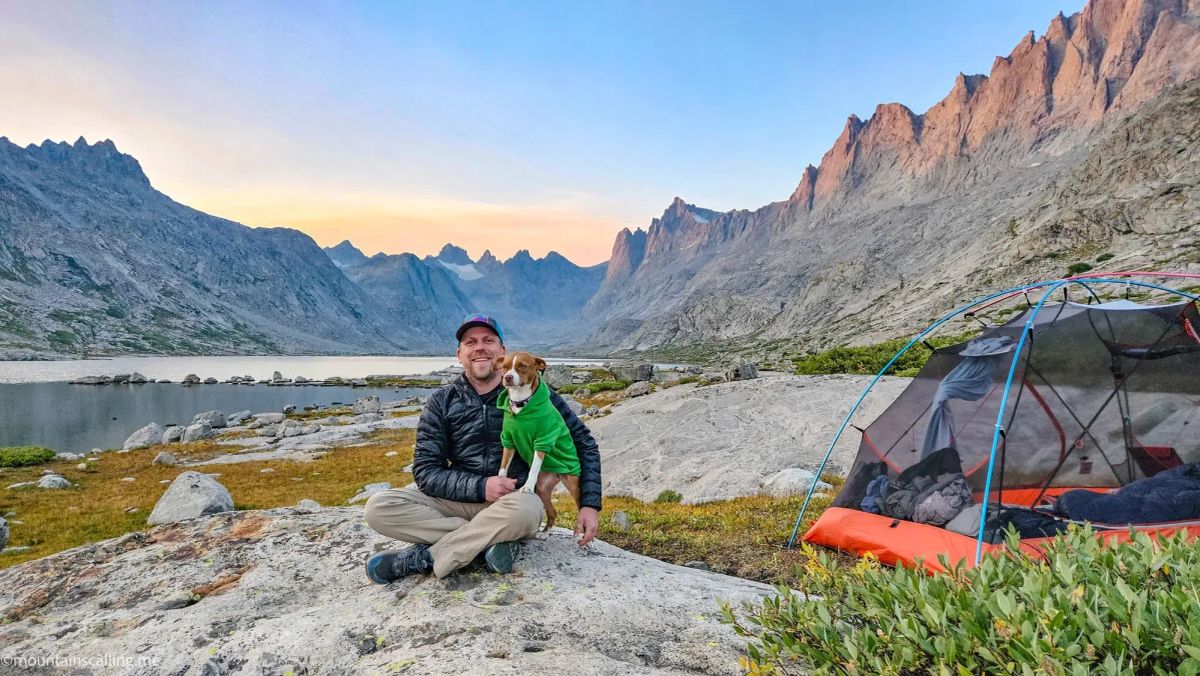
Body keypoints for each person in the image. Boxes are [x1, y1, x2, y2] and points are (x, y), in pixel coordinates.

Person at [363, 314, 602, 582]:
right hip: (456, 500)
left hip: (513, 502)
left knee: (527, 510)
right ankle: (488, 540)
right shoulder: (442, 401)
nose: (480, 347)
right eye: (470, 342)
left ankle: (426, 558)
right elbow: (426, 470)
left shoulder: (540, 398)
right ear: (460, 354)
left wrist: (590, 504)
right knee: (379, 507)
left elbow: (584, 443)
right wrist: (479, 486)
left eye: (488, 340)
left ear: (502, 352)